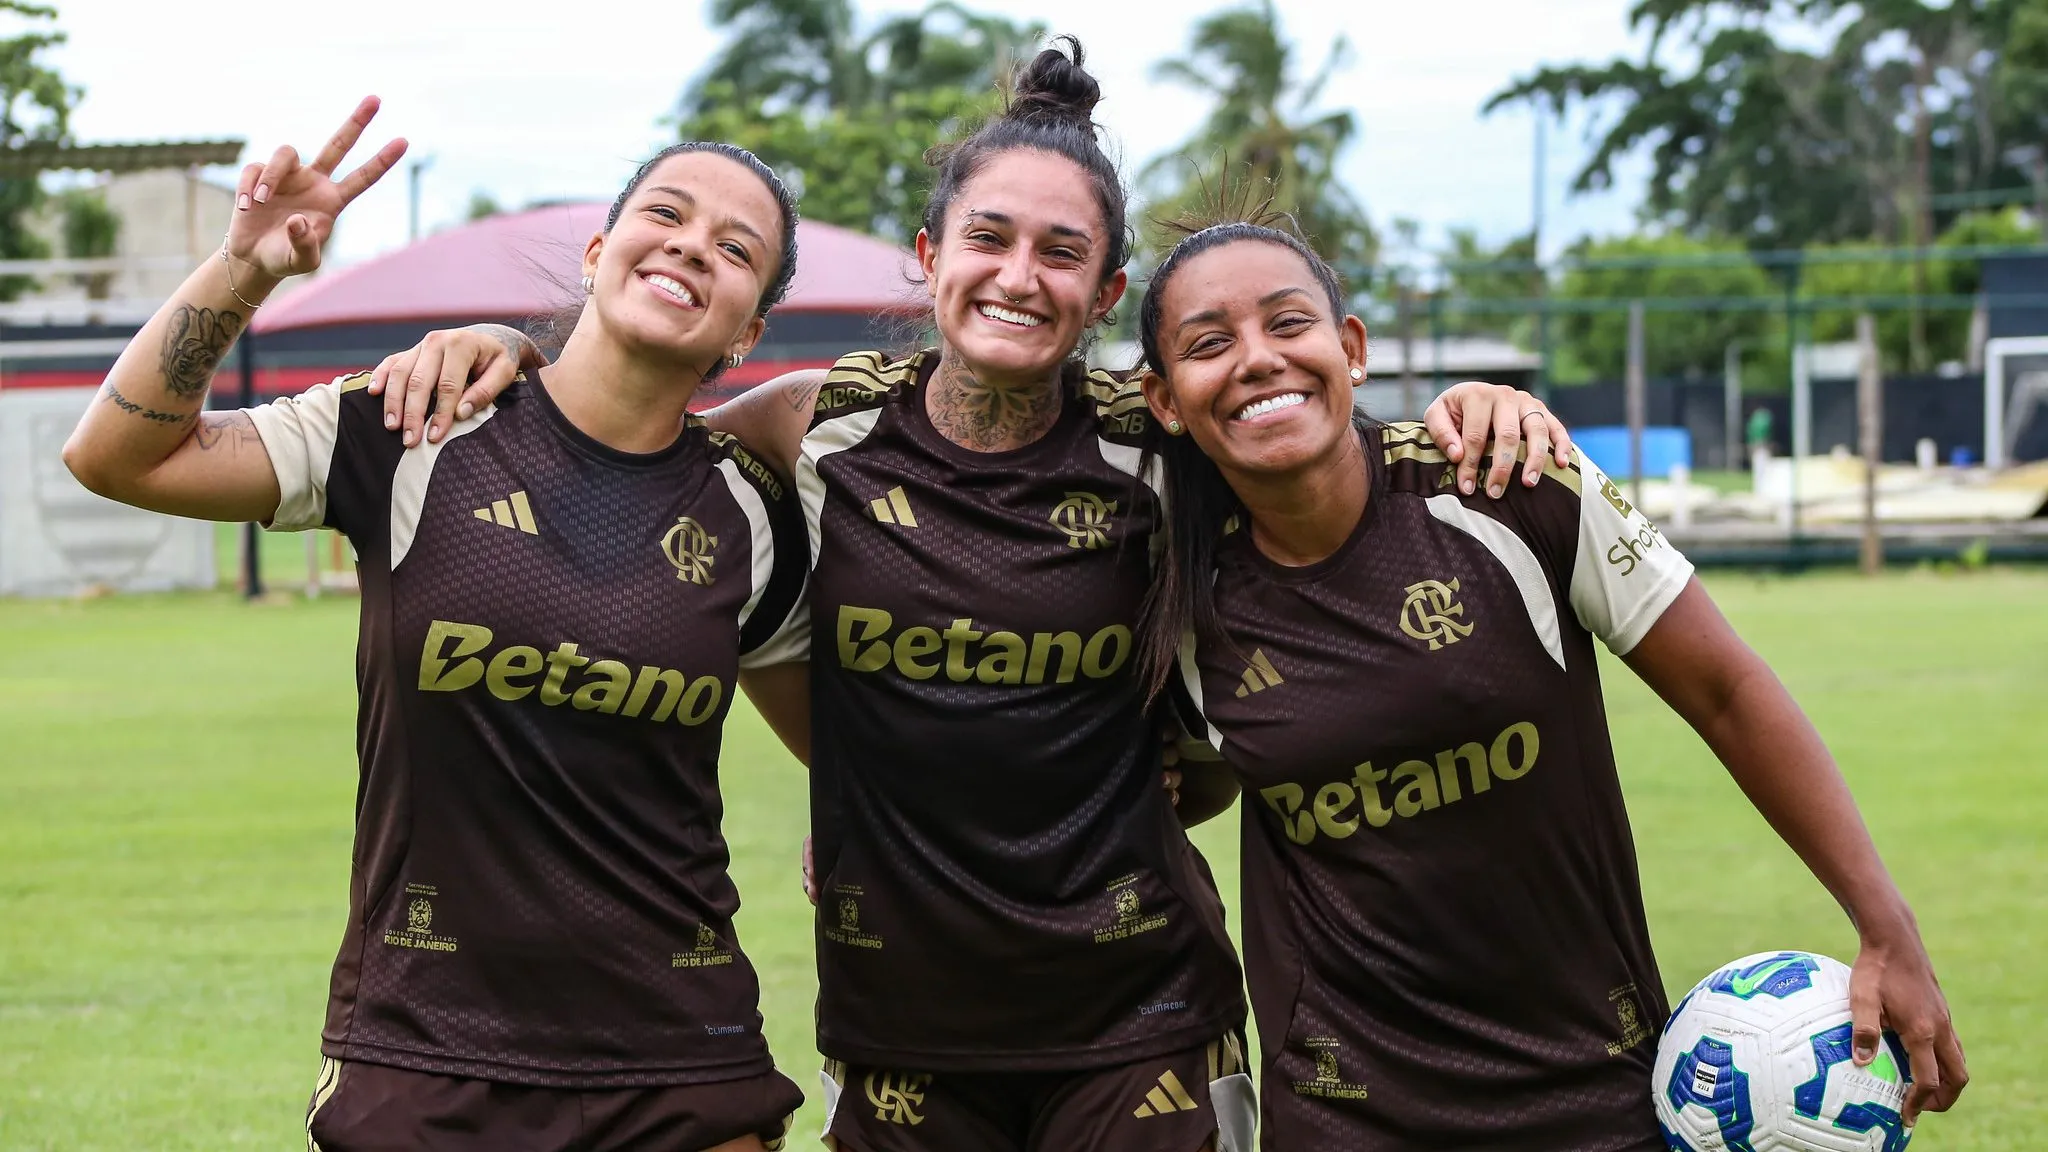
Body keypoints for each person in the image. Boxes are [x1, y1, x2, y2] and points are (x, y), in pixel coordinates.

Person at [372, 40, 1573, 1152]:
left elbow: (1313, 437)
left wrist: (1473, 406)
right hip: (899, 1028)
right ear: (928, 254)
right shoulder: (813, 427)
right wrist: (512, 348)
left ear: (1104, 298)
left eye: (1060, 254)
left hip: (1141, 1022)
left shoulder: (1159, 452)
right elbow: (631, 428)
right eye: (987, 239)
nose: (1017, 276)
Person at [61, 98, 815, 1152]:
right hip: (425, 1057)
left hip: (682, 1062)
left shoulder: (751, 512)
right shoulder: (414, 424)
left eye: (735, 249)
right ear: (600, 251)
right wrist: (248, 265)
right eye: (667, 214)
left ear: (745, 331)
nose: (691, 245)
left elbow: (844, 756)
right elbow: (118, 456)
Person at [1128, 216, 1970, 1150]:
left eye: (1289, 323)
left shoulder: (1514, 486)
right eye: (1210, 344)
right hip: (1341, 1119)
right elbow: (1165, 780)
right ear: (1166, 401)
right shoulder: (1175, 604)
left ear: (1352, 349)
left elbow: (1727, 689)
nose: (1257, 359)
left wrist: (1885, 927)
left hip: (1593, 1097)